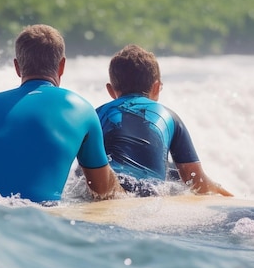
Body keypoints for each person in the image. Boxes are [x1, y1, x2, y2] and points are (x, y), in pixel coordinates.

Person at [0, 24, 123, 203]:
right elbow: (102, 190)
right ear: (62, 66)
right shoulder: (82, 109)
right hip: (34, 210)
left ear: (17, 67)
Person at [96, 44, 232, 196]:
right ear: (156, 87)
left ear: (110, 90)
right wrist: (225, 194)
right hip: (148, 193)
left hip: (107, 187)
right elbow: (195, 180)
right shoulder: (169, 117)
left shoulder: (97, 114)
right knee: (173, 177)